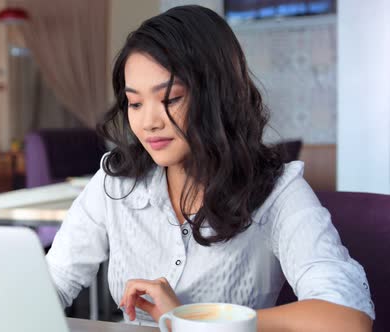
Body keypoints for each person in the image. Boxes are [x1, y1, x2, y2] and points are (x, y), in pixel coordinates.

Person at [45, 5, 374, 331]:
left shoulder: (277, 192)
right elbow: (53, 283)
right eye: (135, 103)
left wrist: (192, 320)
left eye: (170, 99)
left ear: (217, 96)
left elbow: (347, 319)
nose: (148, 122)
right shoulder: (117, 182)